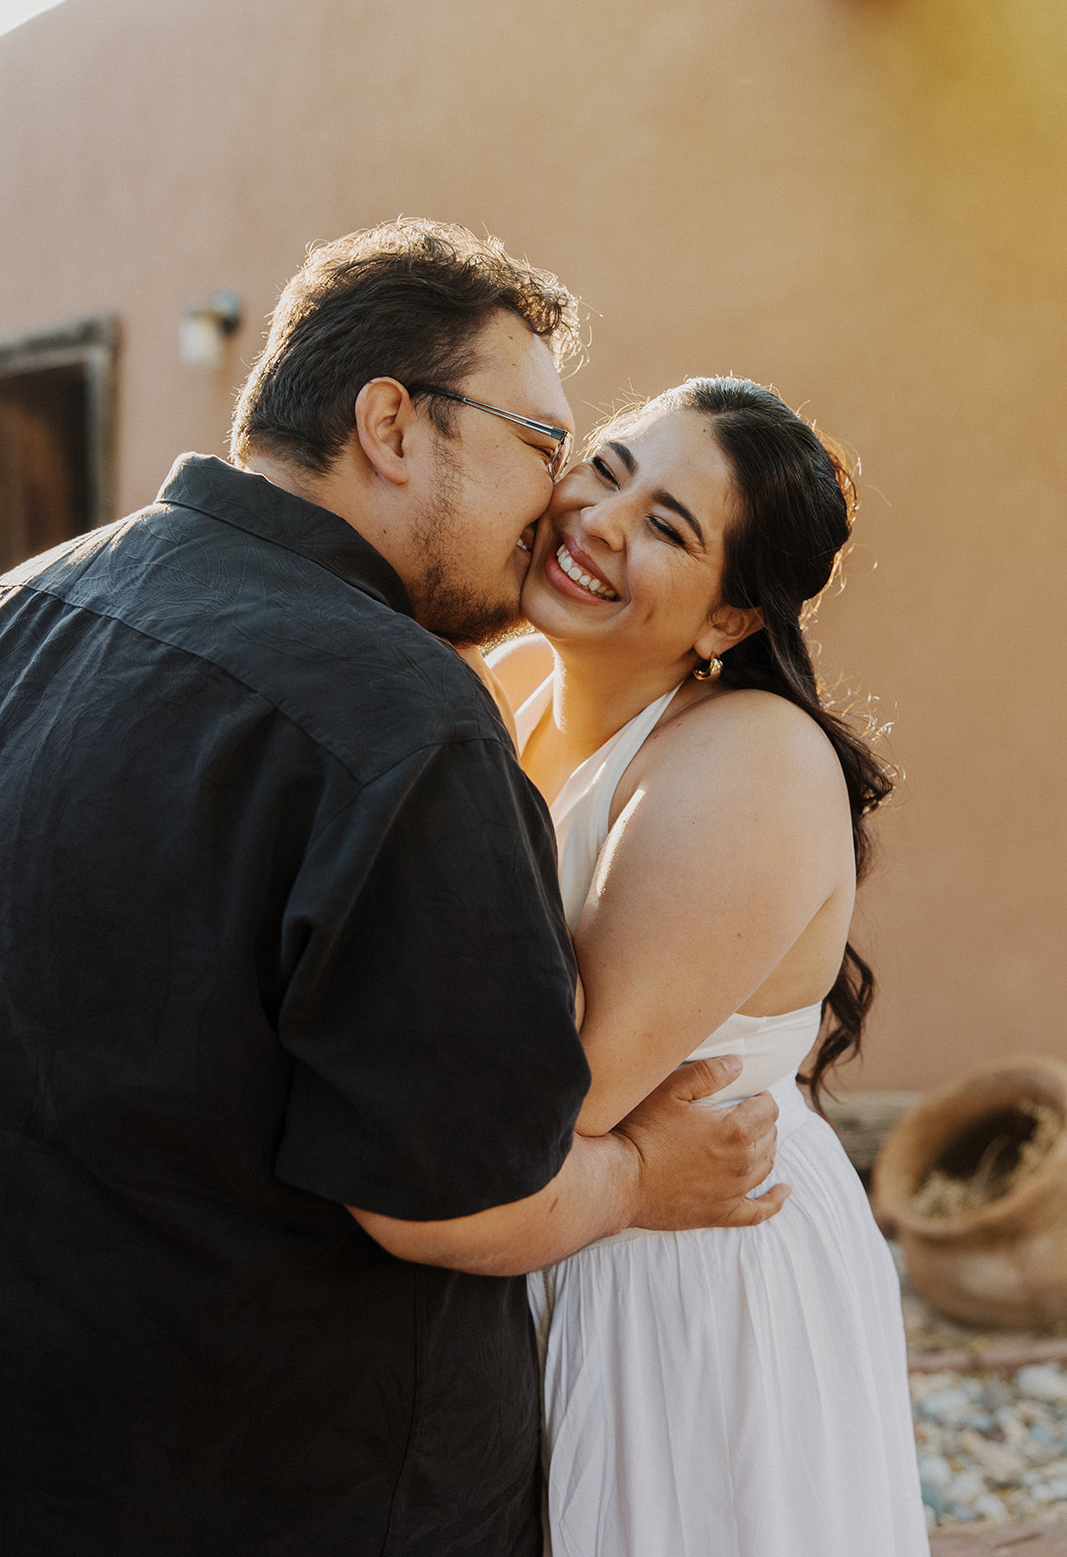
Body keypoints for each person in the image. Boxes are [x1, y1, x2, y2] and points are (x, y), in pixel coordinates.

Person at [0, 222, 786, 1557]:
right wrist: (640, 1175)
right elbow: (453, 1194)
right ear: (390, 424)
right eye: (543, 444)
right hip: (300, 1487)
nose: (559, 505)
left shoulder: (32, 602)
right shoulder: (403, 717)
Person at [489, 378, 930, 1557]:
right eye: (611, 465)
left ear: (727, 622)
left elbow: (562, 1097)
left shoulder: (751, 756)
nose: (599, 519)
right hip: (548, 1232)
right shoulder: (510, 687)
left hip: (687, 1270)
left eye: (667, 526)